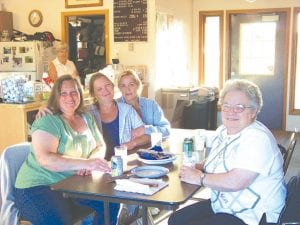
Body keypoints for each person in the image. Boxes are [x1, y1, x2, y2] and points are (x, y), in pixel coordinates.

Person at [168, 79, 287, 225]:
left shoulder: (257, 138)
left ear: (253, 112)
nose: (231, 112)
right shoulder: (224, 131)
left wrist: (199, 177)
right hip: (224, 206)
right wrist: (198, 167)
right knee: (176, 220)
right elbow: (218, 158)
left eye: (239, 107)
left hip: (252, 216)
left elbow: (236, 181)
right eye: (226, 106)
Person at [14, 75, 119, 225]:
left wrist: (88, 163)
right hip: (38, 187)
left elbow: (100, 146)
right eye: (63, 93)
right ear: (56, 96)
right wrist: (85, 164)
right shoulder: (47, 120)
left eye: (74, 92)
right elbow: (45, 160)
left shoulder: (86, 117)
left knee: (110, 203)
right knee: (60, 221)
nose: (70, 97)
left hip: (72, 185)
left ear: (80, 94)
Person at [88, 72, 150, 160]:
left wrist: (132, 143)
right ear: (93, 94)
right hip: (98, 166)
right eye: (99, 89)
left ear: (113, 86)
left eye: (107, 85)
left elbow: (147, 136)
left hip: (124, 163)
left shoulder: (127, 110)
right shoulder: (87, 114)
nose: (105, 90)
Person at [117, 69, 171, 139]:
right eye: (123, 86)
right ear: (119, 88)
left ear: (138, 85)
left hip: (152, 147)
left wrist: (145, 129)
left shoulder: (151, 105)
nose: (127, 89)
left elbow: (166, 130)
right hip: (126, 148)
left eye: (131, 84)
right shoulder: (115, 106)